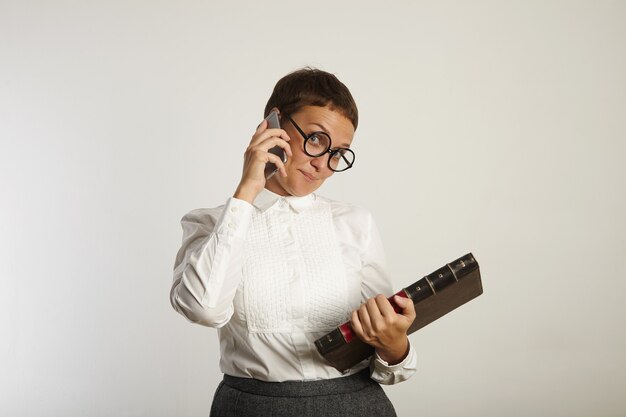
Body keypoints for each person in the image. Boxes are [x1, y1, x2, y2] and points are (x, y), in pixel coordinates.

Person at [170, 68, 417, 417]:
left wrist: (396, 346)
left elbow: (381, 349)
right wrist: (245, 193)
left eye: (338, 153)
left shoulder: (355, 223)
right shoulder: (210, 223)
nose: (322, 165)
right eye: (316, 139)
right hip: (252, 407)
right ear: (273, 125)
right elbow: (202, 309)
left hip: (356, 405)